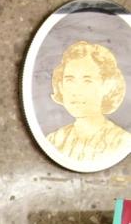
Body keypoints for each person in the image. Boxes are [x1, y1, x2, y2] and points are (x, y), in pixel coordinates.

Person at [44, 40, 131, 169]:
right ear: (61, 86)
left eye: (87, 81)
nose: (76, 91)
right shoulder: (53, 141)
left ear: (107, 86)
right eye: (69, 80)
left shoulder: (122, 142)